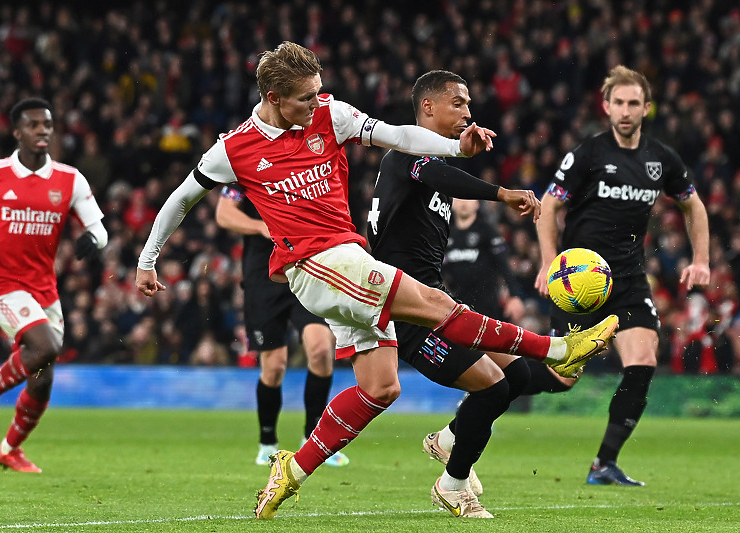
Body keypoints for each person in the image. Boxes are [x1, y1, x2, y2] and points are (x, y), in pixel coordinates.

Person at [133, 42, 617, 519]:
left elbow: (400, 137)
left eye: (319, 91)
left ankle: (292, 470)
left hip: (348, 259)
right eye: (306, 97)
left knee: (381, 388)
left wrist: (455, 147)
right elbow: (181, 199)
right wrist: (148, 260)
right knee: (433, 304)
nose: (316, 102)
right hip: (313, 264)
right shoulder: (235, 149)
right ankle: (556, 349)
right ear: (274, 97)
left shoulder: (331, 114)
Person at [365, 69, 549, 517]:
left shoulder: (427, 160)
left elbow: (440, 177)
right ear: (428, 106)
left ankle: (448, 440)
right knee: (491, 387)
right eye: (458, 103)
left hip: (434, 299)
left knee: (518, 376)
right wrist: (501, 192)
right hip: (406, 309)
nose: (468, 112)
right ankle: (453, 484)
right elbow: (444, 179)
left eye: (468, 104)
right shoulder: (407, 147)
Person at [531, 65, 710, 486]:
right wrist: (548, 262)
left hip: (627, 279)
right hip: (581, 283)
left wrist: (700, 258)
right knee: (562, 378)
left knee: (644, 360)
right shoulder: (587, 154)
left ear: (646, 108)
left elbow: (694, 205)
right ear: (606, 106)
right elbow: (550, 206)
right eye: (619, 103)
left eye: (634, 103)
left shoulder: (661, 159)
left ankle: (603, 464)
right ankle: (490, 385)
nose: (626, 111)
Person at [0, 97, 108, 472]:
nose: (42, 131)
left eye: (47, 125)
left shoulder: (69, 179)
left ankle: (10, 449)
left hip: (43, 288)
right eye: (34, 125)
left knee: (42, 377)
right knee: (46, 345)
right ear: (17, 132)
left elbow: (98, 228)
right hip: (0, 282)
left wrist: (93, 240)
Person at [215, 184, 349, 467]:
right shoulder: (245, 167)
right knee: (274, 367)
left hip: (306, 268)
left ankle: (314, 439)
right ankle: (267, 443)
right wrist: (261, 226)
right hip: (263, 277)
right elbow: (224, 214)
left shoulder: (307, 162)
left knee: (321, 350)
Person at [442, 198, 526, 322]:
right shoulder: (445, 234)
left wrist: (515, 295)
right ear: (452, 203)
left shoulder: (488, 231)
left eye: (469, 198)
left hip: (488, 306)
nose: (463, 202)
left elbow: (504, 265)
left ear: (477, 204)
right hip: (457, 305)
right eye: (459, 198)